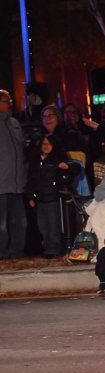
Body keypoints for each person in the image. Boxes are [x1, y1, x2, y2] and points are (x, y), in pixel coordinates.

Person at [26, 135, 79, 257]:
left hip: (53, 198)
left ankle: (54, 249)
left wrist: (67, 167)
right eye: (43, 143)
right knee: (43, 225)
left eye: (48, 144)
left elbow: (75, 168)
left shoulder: (58, 158)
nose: (45, 146)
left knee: (54, 225)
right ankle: (47, 248)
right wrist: (30, 196)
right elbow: (31, 180)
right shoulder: (35, 160)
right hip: (40, 199)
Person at [0, 89, 27, 259]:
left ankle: (16, 253)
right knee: (1, 225)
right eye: (6, 101)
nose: (10, 103)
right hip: (1, 184)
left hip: (17, 185)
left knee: (20, 223)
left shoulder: (14, 122)